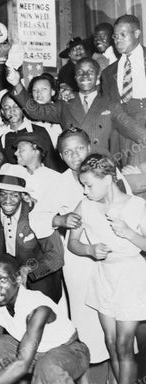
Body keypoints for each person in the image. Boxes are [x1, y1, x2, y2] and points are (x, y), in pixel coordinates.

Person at [53, 128, 132, 378]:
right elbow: (41, 217)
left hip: (114, 258)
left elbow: (130, 211)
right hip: (79, 262)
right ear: (61, 156)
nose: (75, 155)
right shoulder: (58, 183)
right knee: (89, 328)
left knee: (119, 332)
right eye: (67, 151)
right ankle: (91, 377)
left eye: (79, 148)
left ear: (90, 147)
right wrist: (61, 219)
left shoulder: (111, 174)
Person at [68, 153, 146, 384]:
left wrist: (129, 233)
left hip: (131, 279)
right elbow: (73, 243)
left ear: (107, 179)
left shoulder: (137, 206)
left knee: (124, 345)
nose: (84, 190)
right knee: (111, 343)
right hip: (104, 278)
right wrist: (89, 250)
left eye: (88, 185)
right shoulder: (85, 206)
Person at [0, 254, 90, 384]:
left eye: (3, 280)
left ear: (18, 280)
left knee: (47, 367)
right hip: (35, 353)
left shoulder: (37, 308)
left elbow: (22, 364)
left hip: (70, 351)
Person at [7, 57, 146, 160]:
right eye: (80, 72)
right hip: (74, 167)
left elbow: (134, 130)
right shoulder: (65, 104)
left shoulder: (109, 104)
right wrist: (16, 83)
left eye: (90, 72)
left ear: (98, 76)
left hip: (102, 168)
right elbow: (35, 110)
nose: (85, 76)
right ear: (75, 78)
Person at [0, 163, 64, 303]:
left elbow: (56, 256)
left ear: (23, 195)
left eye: (14, 195)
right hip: (12, 289)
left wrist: (28, 270)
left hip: (42, 285)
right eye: (3, 194)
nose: (7, 200)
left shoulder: (38, 214)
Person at [101, 14, 146, 199]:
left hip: (143, 132)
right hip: (119, 137)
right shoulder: (108, 72)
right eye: (115, 36)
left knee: (139, 184)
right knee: (123, 190)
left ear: (137, 33)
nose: (117, 39)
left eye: (122, 34)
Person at [0, 93, 61, 171]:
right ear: (2, 112)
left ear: (23, 109)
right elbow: (4, 170)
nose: (12, 110)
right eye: (7, 108)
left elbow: (51, 163)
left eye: (16, 106)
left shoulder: (40, 131)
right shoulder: (2, 140)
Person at [27, 74, 63, 148]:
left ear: (52, 92)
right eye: (35, 90)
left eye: (44, 89)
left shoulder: (62, 110)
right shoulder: (27, 116)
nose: (39, 93)